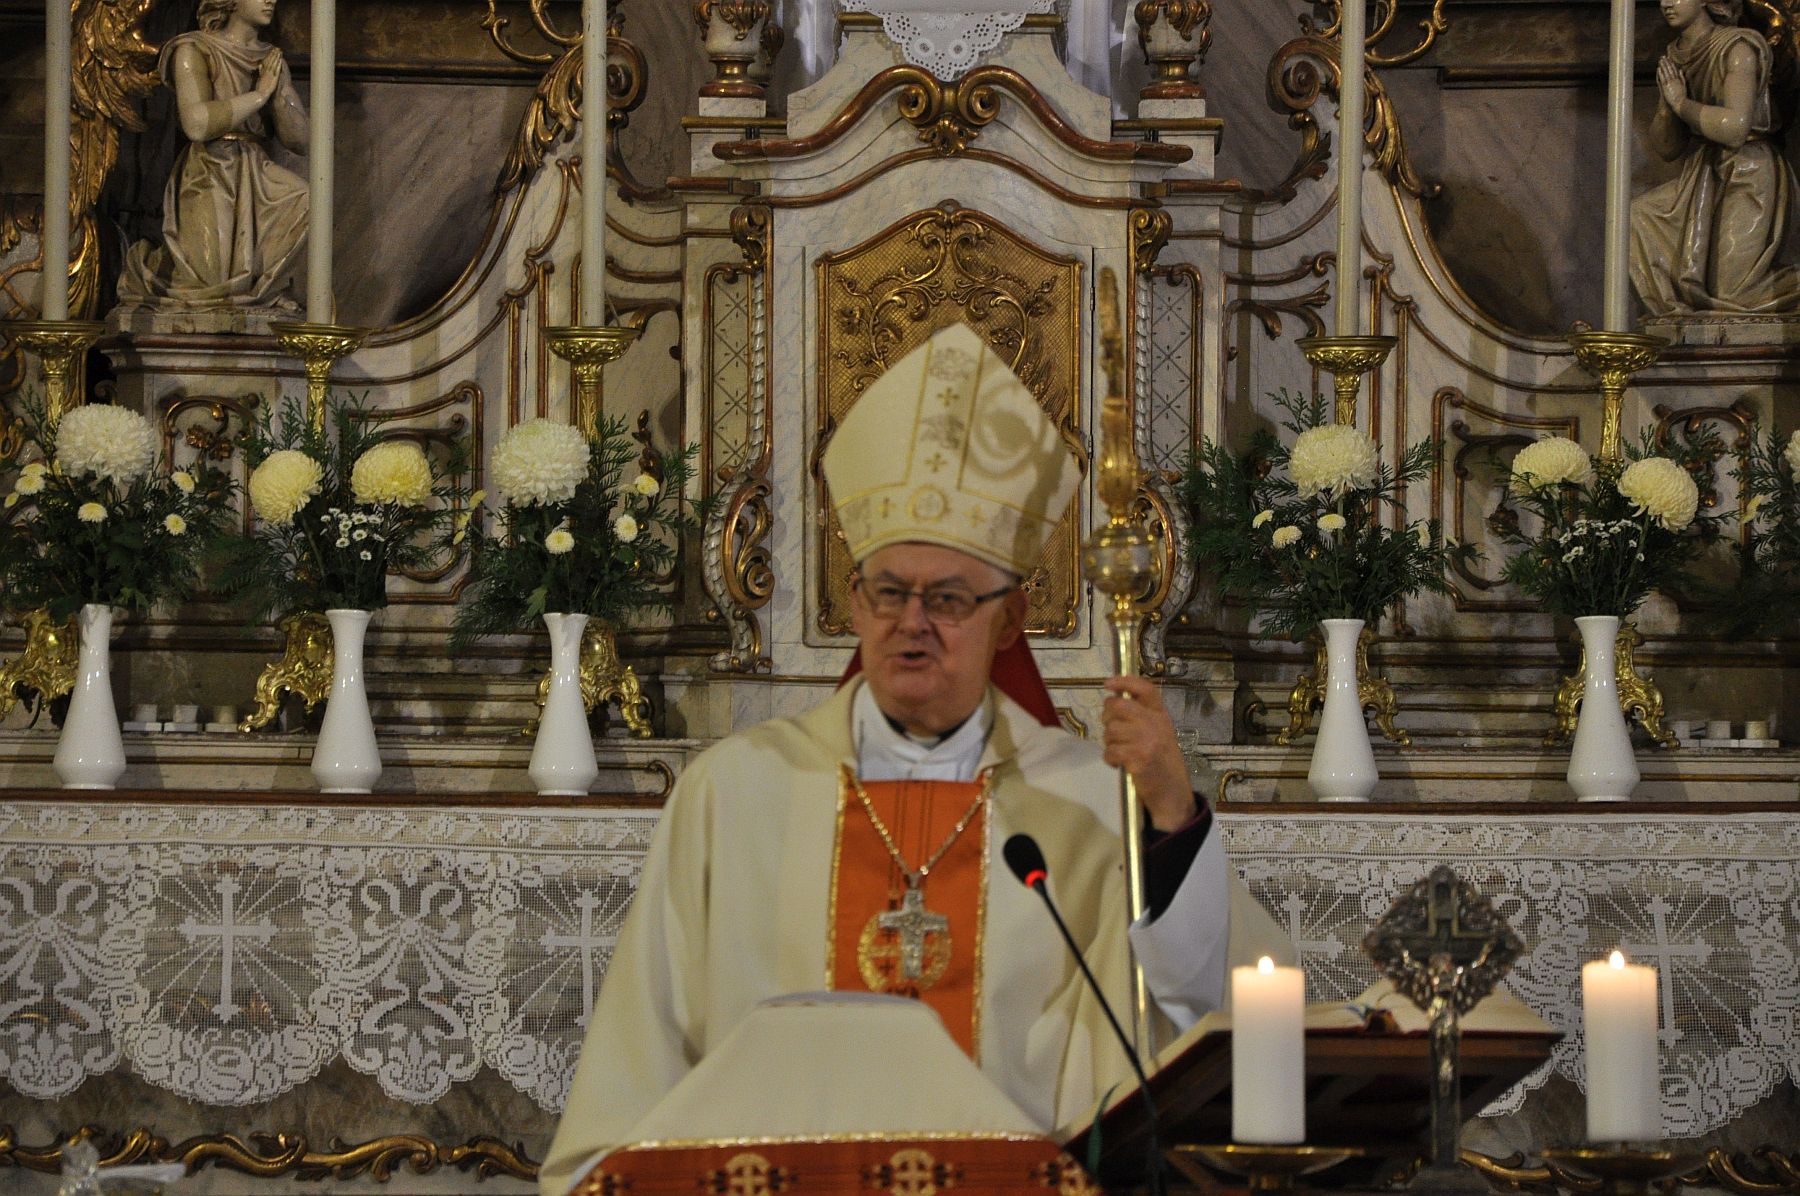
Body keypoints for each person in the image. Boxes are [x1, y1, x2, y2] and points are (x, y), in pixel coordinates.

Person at [540, 323, 1289, 1196]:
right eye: (888, 591)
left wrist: (1167, 819)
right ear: (854, 605)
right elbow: (646, 1052)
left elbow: (1199, 1017)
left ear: (1008, 623)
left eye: (949, 599)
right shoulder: (734, 794)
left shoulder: (1085, 804)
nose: (912, 622)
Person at [115, 0, 309, 312]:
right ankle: (157, 269)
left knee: (302, 197)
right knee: (209, 282)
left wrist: (278, 94)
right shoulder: (194, 49)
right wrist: (259, 95)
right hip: (210, 170)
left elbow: (300, 141)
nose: (271, 0)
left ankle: (262, 291)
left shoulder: (272, 61)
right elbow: (197, 123)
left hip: (256, 170)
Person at [1630, 0, 1800, 316]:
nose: (1667, 2)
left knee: (1733, 291)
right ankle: (1675, 314)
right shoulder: (1674, 57)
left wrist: (1681, 104)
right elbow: (1668, 149)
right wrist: (1668, 107)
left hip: (1749, 171)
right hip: (1704, 173)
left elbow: (1735, 129)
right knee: (1639, 217)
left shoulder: (1737, 48)